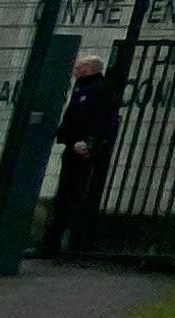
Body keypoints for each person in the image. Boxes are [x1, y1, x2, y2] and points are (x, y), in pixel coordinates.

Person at [43, 52, 123, 255]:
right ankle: (54, 241)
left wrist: (89, 142)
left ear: (92, 69)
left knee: (74, 193)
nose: (76, 70)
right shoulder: (83, 88)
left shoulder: (98, 89)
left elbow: (100, 119)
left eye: (81, 67)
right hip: (75, 146)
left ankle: (67, 241)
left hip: (84, 149)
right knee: (66, 193)